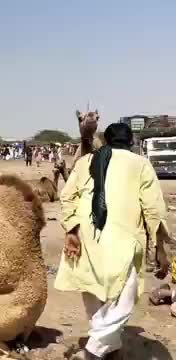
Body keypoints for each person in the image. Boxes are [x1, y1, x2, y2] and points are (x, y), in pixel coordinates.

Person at [54, 123, 170, 360]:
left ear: (105, 140)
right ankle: (94, 351)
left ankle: (109, 345)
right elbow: (153, 209)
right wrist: (160, 248)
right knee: (125, 297)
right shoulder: (140, 164)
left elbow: (67, 197)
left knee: (91, 290)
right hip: (124, 240)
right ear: (131, 142)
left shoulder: (85, 162)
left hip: (86, 236)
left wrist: (71, 229)